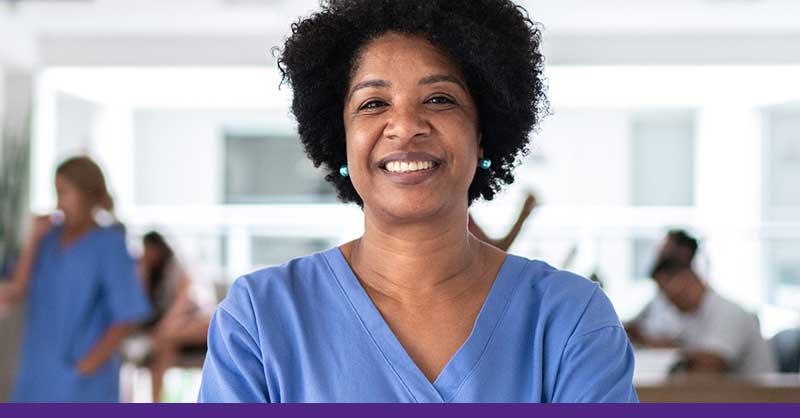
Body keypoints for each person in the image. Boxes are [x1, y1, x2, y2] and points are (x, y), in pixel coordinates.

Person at [198, 0, 637, 403]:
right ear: (341, 140)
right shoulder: (260, 318)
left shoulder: (569, 318)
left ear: (481, 134)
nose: (405, 126)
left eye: (439, 99)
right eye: (373, 103)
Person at [0, 156, 151, 402]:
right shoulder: (47, 240)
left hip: (83, 384)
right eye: (56, 193)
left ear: (87, 193)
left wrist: (84, 367)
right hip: (36, 374)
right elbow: (16, 289)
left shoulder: (109, 243)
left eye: (64, 193)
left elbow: (127, 316)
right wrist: (32, 239)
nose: (58, 203)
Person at [626, 230, 775, 375]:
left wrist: (665, 348)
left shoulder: (729, 312)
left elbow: (710, 365)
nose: (671, 304)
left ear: (688, 279)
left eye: (671, 296)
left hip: (759, 398)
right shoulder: (687, 315)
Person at [138, 231, 211, 402]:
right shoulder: (150, 271)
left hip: (197, 319)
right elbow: (142, 309)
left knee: (166, 336)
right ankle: (156, 403)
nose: (146, 254)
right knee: (164, 347)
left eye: (149, 250)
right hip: (172, 330)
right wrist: (143, 270)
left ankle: (155, 340)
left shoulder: (178, 266)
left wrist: (164, 328)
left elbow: (184, 302)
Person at [468, 192, 536, 251]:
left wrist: (524, 213)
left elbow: (494, 248)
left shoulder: (465, 215)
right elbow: (496, 249)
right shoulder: (462, 215)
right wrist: (524, 214)